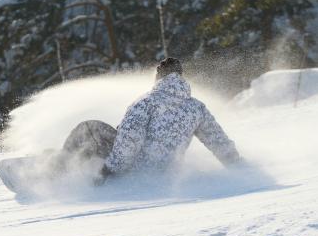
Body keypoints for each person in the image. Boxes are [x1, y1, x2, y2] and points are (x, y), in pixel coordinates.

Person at [93, 57, 241, 184]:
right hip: (170, 177)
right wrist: (237, 164)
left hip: (136, 177)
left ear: (158, 77)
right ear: (181, 76)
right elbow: (217, 139)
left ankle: (76, 180)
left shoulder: (145, 103)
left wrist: (108, 171)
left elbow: (128, 144)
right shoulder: (196, 108)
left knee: (92, 130)